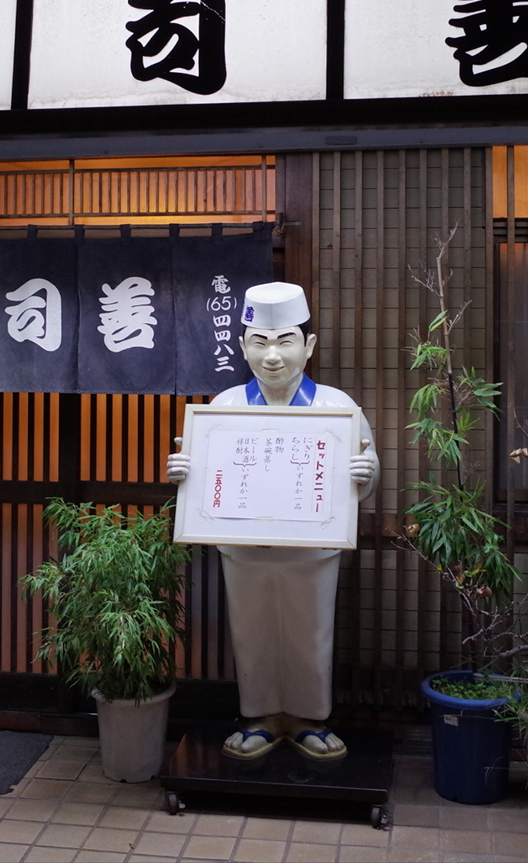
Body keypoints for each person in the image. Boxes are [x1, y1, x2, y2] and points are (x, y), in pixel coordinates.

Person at [165, 282, 379, 760]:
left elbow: (365, 470)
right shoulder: (221, 407)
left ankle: (309, 718)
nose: (273, 356)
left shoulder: (337, 407)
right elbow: (200, 477)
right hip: (245, 551)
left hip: (312, 551)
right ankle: (260, 714)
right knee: (251, 631)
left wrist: (366, 472)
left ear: (309, 345)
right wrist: (183, 470)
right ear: (242, 346)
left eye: (285, 340)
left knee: (311, 632)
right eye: (260, 342)